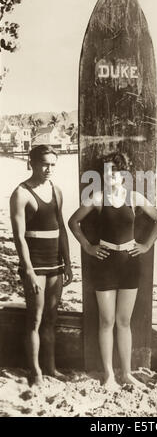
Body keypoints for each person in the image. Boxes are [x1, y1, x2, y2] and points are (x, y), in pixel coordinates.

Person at [69, 152, 157, 390]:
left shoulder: (134, 198)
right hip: (105, 263)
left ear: (124, 174)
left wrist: (146, 245)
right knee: (106, 320)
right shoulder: (98, 198)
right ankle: (109, 375)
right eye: (106, 171)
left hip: (129, 264)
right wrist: (88, 247)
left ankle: (127, 373)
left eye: (114, 171)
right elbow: (73, 222)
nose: (109, 175)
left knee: (123, 321)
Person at [10, 145, 73, 386]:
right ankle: (35, 371)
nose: (49, 169)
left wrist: (68, 263)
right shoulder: (21, 193)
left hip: (55, 262)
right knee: (34, 319)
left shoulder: (56, 190)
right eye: (45, 164)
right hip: (35, 264)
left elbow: (62, 230)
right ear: (32, 163)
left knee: (51, 318)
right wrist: (27, 270)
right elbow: (19, 237)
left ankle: (51, 368)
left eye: (53, 164)